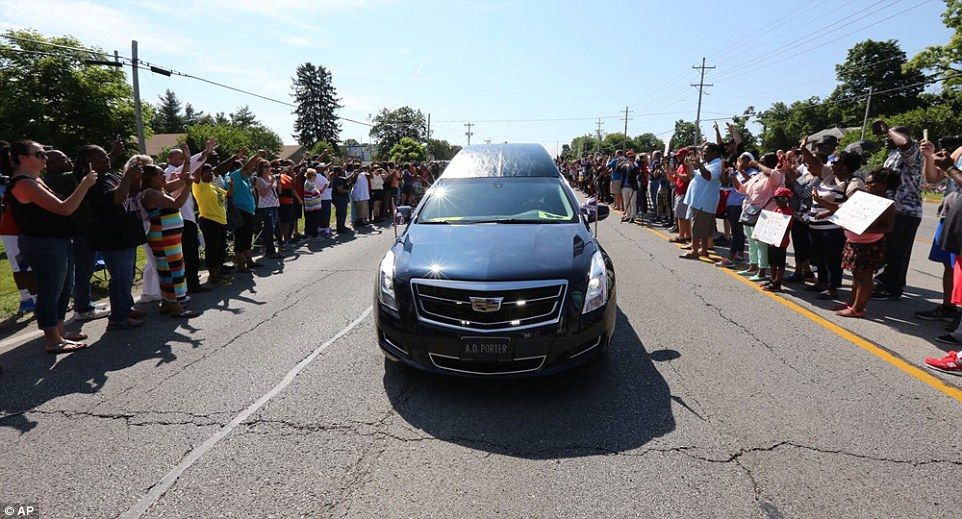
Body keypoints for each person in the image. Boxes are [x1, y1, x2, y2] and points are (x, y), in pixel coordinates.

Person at [4, 140, 98, 353]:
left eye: (44, 153)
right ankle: (53, 339)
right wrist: (85, 184)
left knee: (64, 287)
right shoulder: (24, 184)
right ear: (22, 158)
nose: (44, 157)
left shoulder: (34, 179)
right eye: (39, 154)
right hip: (43, 244)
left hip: (56, 240)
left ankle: (60, 330)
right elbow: (64, 209)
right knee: (50, 289)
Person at [83, 145, 149, 330]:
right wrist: (128, 176)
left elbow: (130, 195)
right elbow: (116, 199)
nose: (107, 158)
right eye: (101, 157)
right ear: (89, 163)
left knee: (127, 276)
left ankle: (126, 309)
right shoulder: (93, 182)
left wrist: (135, 179)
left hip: (126, 234)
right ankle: (118, 318)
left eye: (106, 155)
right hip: (113, 237)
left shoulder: (111, 175)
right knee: (120, 278)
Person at [43, 149, 111, 321]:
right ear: (51, 164)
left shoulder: (53, 179)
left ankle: (84, 302)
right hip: (78, 231)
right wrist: (114, 154)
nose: (69, 161)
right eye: (64, 159)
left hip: (76, 231)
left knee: (81, 270)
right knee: (83, 270)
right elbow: (88, 176)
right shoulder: (61, 179)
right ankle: (83, 308)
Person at [831, 168, 899, 318]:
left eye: (871, 183)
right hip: (854, 242)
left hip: (869, 245)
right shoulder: (863, 198)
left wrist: (864, 229)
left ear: (883, 184)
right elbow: (842, 210)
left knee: (865, 277)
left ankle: (858, 308)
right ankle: (852, 303)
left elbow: (888, 227)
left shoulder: (887, 204)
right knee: (856, 276)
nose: (867, 185)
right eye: (866, 182)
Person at [141, 159, 200, 318]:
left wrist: (187, 162)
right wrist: (188, 185)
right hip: (162, 237)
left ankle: (167, 303)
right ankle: (176, 308)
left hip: (168, 237)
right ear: (152, 178)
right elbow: (177, 203)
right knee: (170, 271)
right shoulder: (152, 193)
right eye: (161, 173)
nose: (164, 175)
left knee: (172, 269)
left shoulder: (160, 188)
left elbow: (180, 181)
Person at [872, 121, 923, 301]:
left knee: (898, 251)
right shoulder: (894, 154)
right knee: (887, 249)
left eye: (890, 136)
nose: (887, 138)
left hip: (906, 211)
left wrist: (889, 129)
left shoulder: (913, 152)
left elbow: (905, 143)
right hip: (890, 209)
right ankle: (884, 282)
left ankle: (892, 288)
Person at [916, 135, 962, 324]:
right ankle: (948, 306)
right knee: (949, 265)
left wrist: (949, 167)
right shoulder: (960, 150)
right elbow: (932, 178)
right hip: (950, 215)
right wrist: (928, 157)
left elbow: (950, 171)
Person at [165, 139, 216, 294]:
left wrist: (202, 154)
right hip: (181, 218)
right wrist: (204, 153)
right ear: (172, 159)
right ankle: (192, 284)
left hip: (185, 217)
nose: (183, 161)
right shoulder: (169, 172)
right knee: (189, 253)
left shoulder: (178, 170)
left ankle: (188, 282)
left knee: (188, 252)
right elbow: (189, 167)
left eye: (183, 158)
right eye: (181, 158)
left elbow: (191, 166)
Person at [733, 153, 783, 282]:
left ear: (771, 163)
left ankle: (762, 271)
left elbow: (772, 175)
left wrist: (757, 165)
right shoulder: (758, 176)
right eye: (759, 161)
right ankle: (752, 266)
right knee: (751, 241)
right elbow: (742, 189)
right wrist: (733, 177)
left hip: (764, 213)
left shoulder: (776, 174)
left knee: (760, 243)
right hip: (750, 212)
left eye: (762, 161)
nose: (757, 163)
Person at [0, 141, 37, 314]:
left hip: (20, 228)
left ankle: (29, 298)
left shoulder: (21, 175)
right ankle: (30, 299)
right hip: (12, 230)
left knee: (24, 265)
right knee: (22, 265)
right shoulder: (15, 178)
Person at [680, 143, 724, 259]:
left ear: (714, 153)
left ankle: (694, 251)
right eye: (703, 151)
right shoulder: (707, 163)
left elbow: (709, 176)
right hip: (698, 201)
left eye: (706, 151)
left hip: (704, 202)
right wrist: (689, 165)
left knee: (698, 228)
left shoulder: (717, 164)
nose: (703, 154)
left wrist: (699, 165)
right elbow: (692, 176)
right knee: (704, 228)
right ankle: (703, 250)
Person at [192, 161, 230, 286]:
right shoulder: (199, 185)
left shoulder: (213, 186)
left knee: (220, 250)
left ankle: (218, 274)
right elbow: (197, 173)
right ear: (201, 174)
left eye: (212, 173)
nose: (211, 175)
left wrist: (231, 185)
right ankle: (214, 277)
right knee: (212, 250)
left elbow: (228, 195)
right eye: (208, 172)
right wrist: (204, 157)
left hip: (221, 221)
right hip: (209, 221)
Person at [716, 152, 756, 268]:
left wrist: (741, 171)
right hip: (732, 205)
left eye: (743, 160)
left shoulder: (753, 172)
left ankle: (732, 256)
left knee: (737, 232)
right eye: (740, 160)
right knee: (737, 231)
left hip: (739, 205)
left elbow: (752, 183)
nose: (740, 162)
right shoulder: (737, 172)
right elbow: (724, 181)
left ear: (750, 161)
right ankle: (739, 255)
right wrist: (725, 170)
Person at [229, 150, 263, 273]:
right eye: (240, 168)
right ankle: (241, 265)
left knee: (247, 237)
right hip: (240, 211)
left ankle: (249, 261)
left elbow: (248, 168)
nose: (246, 170)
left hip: (248, 212)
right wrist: (257, 156)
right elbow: (247, 167)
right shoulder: (233, 177)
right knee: (240, 238)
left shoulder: (243, 179)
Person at [760, 187, 795, 292]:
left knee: (780, 263)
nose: (777, 201)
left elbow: (786, 229)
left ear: (786, 199)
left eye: (779, 199)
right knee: (772, 262)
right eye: (775, 198)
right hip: (772, 241)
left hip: (781, 242)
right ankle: (772, 279)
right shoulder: (777, 209)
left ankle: (777, 283)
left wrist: (776, 239)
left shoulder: (787, 212)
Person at [254, 160, 282, 259]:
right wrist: (271, 182)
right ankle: (270, 251)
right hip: (265, 207)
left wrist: (278, 182)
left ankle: (267, 247)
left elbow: (279, 191)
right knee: (269, 228)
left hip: (274, 205)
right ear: (260, 168)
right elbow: (262, 193)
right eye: (265, 166)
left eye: (269, 166)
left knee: (273, 228)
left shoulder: (272, 177)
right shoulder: (259, 179)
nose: (268, 168)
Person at [666, 148, 691, 244]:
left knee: (682, 216)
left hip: (684, 193)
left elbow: (686, 178)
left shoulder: (687, 166)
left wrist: (676, 173)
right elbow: (673, 180)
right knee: (681, 216)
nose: (678, 157)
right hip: (679, 192)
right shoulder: (680, 165)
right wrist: (668, 170)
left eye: (680, 155)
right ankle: (686, 235)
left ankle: (683, 236)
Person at [302, 168, 324, 238]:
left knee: (311, 220)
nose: (315, 176)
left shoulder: (310, 183)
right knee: (313, 220)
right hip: (312, 206)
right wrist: (320, 190)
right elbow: (316, 194)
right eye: (314, 175)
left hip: (312, 205)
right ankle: (314, 235)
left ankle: (310, 233)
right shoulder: (309, 184)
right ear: (311, 176)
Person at [330, 166, 351, 234]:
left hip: (341, 198)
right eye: (341, 171)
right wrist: (347, 190)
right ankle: (340, 229)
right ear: (338, 172)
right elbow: (340, 190)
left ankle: (342, 226)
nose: (342, 171)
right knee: (340, 213)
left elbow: (346, 180)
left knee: (343, 213)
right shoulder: (337, 179)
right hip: (339, 198)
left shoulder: (339, 179)